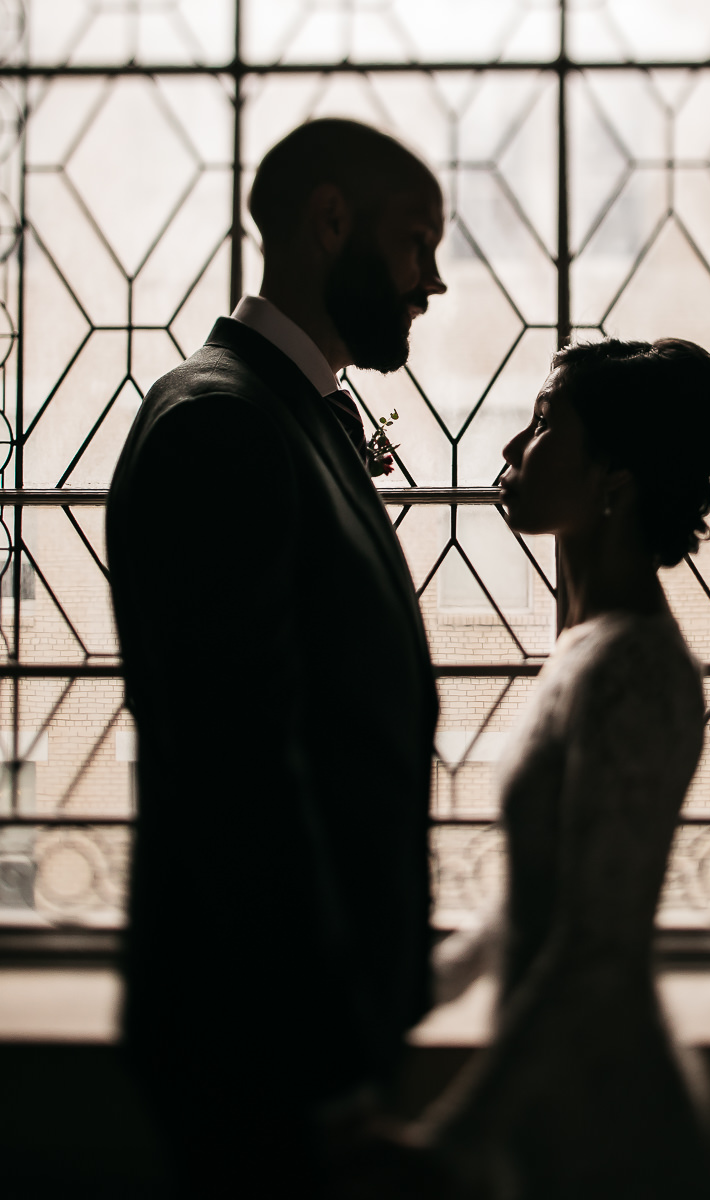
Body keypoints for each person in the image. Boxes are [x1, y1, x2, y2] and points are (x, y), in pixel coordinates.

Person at [105, 117, 446, 1198]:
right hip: (261, 1048)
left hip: (306, 1040)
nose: (428, 281)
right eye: (413, 242)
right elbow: (238, 771)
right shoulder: (223, 425)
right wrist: (328, 1071)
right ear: (327, 222)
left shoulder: (284, 412)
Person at [410, 338, 710, 1199]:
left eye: (547, 422)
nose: (514, 447)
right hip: (545, 1120)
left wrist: (449, 1135)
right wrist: (407, 996)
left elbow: (595, 948)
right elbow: (534, 904)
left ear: (614, 482)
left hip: (612, 1133)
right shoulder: (582, 649)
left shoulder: (637, 669)